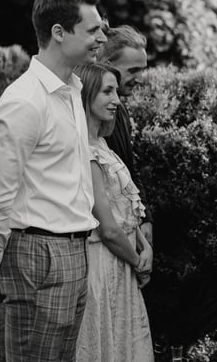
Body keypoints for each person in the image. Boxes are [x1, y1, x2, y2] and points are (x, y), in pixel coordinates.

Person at [0, 0, 105, 362]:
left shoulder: (72, 91)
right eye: (93, 30)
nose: (102, 38)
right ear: (59, 32)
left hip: (74, 249)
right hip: (37, 254)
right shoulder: (25, 101)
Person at [74, 63, 154, 362]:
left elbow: (126, 208)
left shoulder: (103, 143)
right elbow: (106, 227)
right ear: (86, 94)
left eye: (116, 92)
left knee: (125, 343)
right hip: (103, 263)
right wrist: (138, 263)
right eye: (107, 92)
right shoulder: (85, 151)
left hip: (122, 259)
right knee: (107, 344)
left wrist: (145, 246)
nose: (116, 100)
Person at [97, 25, 153, 245]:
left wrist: (145, 217)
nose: (140, 78)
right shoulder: (89, 113)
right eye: (133, 70)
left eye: (142, 70)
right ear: (106, 65)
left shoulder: (120, 109)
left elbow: (129, 166)